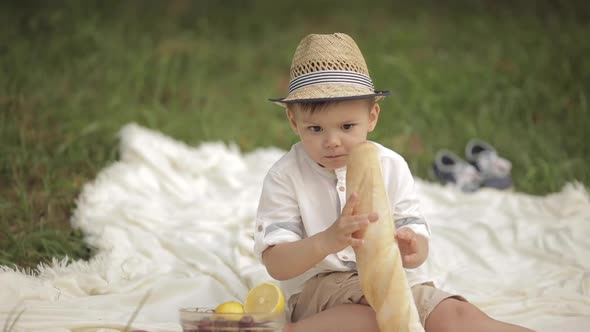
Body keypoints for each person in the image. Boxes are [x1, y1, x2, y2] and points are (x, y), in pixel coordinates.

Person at [253, 33, 533, 332]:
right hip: (322, 289)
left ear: (372, 116)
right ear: (294, 123)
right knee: (375, 322)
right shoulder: (285, 176)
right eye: (315, 128)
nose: (332, 141)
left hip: (394, 280)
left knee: (455, 315)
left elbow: (416, 240)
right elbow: (277, 265)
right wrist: (327, 240)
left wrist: (413, 248)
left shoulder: (390, 166)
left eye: (347, 126)